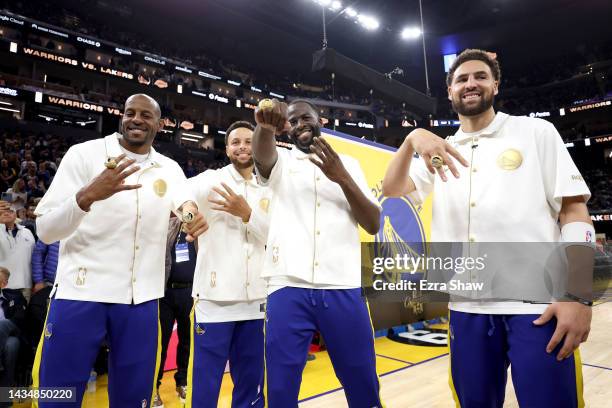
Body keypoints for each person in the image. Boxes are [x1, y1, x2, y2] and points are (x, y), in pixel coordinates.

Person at [383, 49, 593, 408]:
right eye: (461, 79)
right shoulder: (438, 151)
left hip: (537, 305)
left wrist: (578, 294)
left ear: (495, 84)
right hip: (466, 308)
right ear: (450, 92)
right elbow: (392, 191)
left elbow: (574, 211)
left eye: (480, 76)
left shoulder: (535, 131)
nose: (471, 83)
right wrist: (410, 140)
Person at [31, 94, 208, 408]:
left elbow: (186, 205)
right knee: (56, 396)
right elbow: (45, 230)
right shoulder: (84, 155)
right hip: (80, 292)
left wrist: (192, 220)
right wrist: (86, 196)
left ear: (160, 124)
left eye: (145, 114)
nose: (136, 119)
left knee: (133, 400)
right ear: (122, 117)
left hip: (140, 300)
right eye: (130, 113)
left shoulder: (168, 168)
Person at [252, 99, 383, 407]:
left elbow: (373, 223)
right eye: (292, 121)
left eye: (305, 118)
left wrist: (341, 176)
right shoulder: (281, 160)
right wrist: (264, 125)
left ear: (319, 118)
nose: (300, 125)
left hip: (342, 284)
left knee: (362, 380)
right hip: (287, 284)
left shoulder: (349, 162)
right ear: (286, 127)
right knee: (281, 388)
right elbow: (262, 156)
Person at [185, 121, 269, 407]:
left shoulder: (269, 188)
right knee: (205, 384)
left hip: (258, 300)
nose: (242, 147)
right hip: (214, 301)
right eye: (236, 142)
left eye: (248, 141)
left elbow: (278, 238)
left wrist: (248, 214)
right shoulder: (211, 179)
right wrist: (189, 213)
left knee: (251, 382)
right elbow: (178, 195)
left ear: (257, 145)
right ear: (227, 148)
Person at [153, 216, 196, 408]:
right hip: (165, 292)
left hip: (190, 292)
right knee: (160, 344)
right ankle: (154, 388)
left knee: (187, 342)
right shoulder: (166, 224)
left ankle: (183, 382)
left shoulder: (197, 226)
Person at [0, 266, 27, 407]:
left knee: (2, 325)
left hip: (10, 332)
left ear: (3, 284)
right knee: (11, 347)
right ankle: (4, 401)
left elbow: (20, 318)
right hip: (7, 343)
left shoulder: (14, 297)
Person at [0, 202, 35, 302]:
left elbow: (33, 257)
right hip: (3, 286)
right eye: (3, 212)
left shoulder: (27, 232)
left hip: (25, 285)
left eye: (10, 211)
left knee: (23, 316)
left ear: (15, 215)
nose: (7, 213)